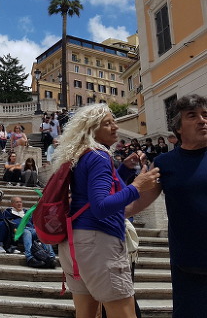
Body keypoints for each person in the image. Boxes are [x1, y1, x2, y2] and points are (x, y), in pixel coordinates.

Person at [53, 103, 159, 318]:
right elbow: (101, 207)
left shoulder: (82, 154)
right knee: (124, 313)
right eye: (107, 123)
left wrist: (124, 170)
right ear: (92, 129)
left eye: (115, 122)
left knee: (85, 314)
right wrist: (138, 185)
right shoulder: (100, 156)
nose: (115, 128)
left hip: (75, 243)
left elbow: (93, 191)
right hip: (98, 243)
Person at [133, 94, 207, 317]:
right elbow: (138, 204)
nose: (202, 120)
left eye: (205, 115)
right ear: (178, 128)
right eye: (192, 116)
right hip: (188, 264)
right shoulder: (165, 163)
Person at [6, 195, 56, 268]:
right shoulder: (9, 213)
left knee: (41, 233)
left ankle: (51, 256)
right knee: (27, 232)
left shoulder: (27, 212)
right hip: (19, 232)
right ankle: (30, 258)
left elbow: (35, 222)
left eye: (20, 202)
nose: (19, 204)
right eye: (17, 202)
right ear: (12, 204)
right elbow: (7, 224)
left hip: (31, 230)